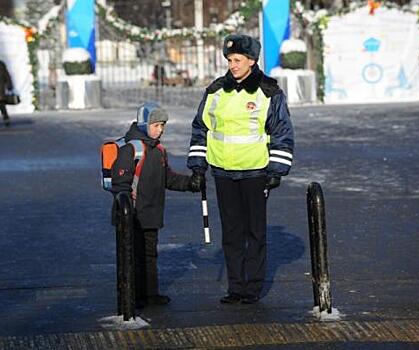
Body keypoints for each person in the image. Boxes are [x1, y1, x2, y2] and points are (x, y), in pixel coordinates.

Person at [186, 34, 294, 304]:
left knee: (255, 233)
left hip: (256, 172)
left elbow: (282, 131)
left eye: (237, 60)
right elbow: (200, 127)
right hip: (222, 172)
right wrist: (198, 166)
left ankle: (252, 288)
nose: (232, 65)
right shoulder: (215, 91)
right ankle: (236, 288)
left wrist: (276, 170)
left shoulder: (269, 92)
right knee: (231, 233)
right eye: (229, 60)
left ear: (252, 61)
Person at [111, 102, 201, 307]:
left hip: (151, 214)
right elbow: (120, 183)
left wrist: (190, 184)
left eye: (163, 126)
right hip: (132, 215)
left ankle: (150, 294)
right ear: (144, 125)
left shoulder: (159, 150)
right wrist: (125, 207)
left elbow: (167, 178)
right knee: (132, 256)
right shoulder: (131, 149)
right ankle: (131, 297)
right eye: (156, 125)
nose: (160, 130)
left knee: (150, 255)